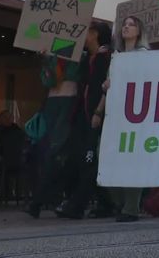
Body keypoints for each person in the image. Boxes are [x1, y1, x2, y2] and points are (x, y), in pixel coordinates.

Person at [55, 22, 113, 219]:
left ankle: (77, 205)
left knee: (90, 161)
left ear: (95, 34)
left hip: (98, 118)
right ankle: (106, 203)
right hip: (84, 117)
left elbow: (106, 88)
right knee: (86, 160)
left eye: (86, 32)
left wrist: (98, 113)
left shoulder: (106, 58)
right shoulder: (89, 58)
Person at [96, 16, 150, 222]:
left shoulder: (143, 55)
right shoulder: (116, 56)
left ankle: (131, 207)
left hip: (135, 115)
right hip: (114, 113)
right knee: (105, 155)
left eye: (132, 25)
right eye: (124, 25)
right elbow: (108, 88)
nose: (126, 27)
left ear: (139, 31)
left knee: (131, 160)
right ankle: (121, 202)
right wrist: (98, 111)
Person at [26, 42, 86, 218]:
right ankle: (43, 199)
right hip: (54, 104)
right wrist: (46, 59)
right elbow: (48, 80)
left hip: (68, 103)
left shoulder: (80, 54)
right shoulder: (51, 54)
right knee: (48, 152)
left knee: (55, 152)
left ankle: (40, 200)